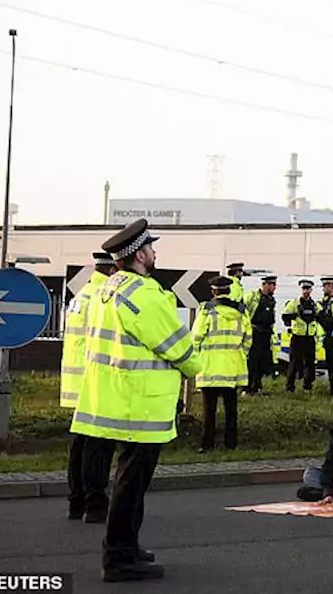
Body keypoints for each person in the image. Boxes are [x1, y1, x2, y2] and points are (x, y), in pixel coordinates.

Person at [70, 219, 204, 582]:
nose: (155, 253)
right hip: (141, 406)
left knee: (128, 481)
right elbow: (180, 348)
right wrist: (197, 365)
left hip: (112, 400)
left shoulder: (106, 289)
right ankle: (117, 557)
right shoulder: (144, 294)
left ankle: (127, 547)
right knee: (131, 484)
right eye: (152, 248)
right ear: (140, 254)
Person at [62, 251, 118, 523]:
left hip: (77, 380)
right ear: (111, 271)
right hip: (95, 380)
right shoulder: (101, 297)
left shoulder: (82, 295)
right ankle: (95, 503)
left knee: (80, 443)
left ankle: (76, 502)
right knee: (99, 445)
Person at [192, 276, 250, 453]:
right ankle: (231, 443)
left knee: (209, 410)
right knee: (231, 409)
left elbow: (196, 337)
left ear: (213, 291)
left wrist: (196, 357)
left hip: (210, 367)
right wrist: (239, 355)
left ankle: (206, 444)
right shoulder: (241, 311)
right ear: (229, 290)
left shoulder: (206, 310)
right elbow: (247, 340)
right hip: (232, 369)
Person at [282, 279, 320, 392]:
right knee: (293, 363)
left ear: (311, 290)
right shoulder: (294, 303)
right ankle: (290, 387)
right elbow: (285, 316)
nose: (305, 291)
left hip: (310, 338)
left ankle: (307, 386)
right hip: (297, 338)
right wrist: (291, 321)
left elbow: (321, 317)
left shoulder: (315, 305)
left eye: (308, 289)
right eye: (304, 289)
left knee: (310, 363)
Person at [243, 275, 278, 395]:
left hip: (266, 334)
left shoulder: (271, 300)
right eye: (271, 285)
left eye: (274, 285)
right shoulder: (252, 297)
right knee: (252, 361)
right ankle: (248, 387)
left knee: (263, 362)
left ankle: (257, 385)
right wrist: (248, 325)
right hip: (254, 333)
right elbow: (242, 311)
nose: (273, 288)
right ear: (265, 285)